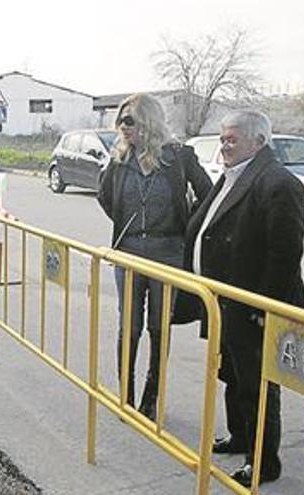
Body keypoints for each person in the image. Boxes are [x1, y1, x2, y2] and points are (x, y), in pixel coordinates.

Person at [184, 109, 304, 487]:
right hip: (224, 302)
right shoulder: (234, 175)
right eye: (222, 138)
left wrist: (261, 308)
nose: (224, 145)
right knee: (232, 376)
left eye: (231, 139)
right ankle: (240, 437)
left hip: (252, 306)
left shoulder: (277, 183)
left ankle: (264, 462)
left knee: (257, 385)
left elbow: (285, 254)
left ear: (258, 141)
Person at [98, 94, 212, 420]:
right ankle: (126, 396)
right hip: (128, 251)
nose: (122, 128)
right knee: (129, 326)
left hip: (168, 254)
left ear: (148, 122)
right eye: (120, 122)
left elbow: (208, 193)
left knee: (159, 327)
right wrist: (126, 223)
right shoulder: (120, 158)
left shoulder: (179, 156)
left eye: (129, 121)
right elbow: (105, 196)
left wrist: (187, 228)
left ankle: (152, 394)